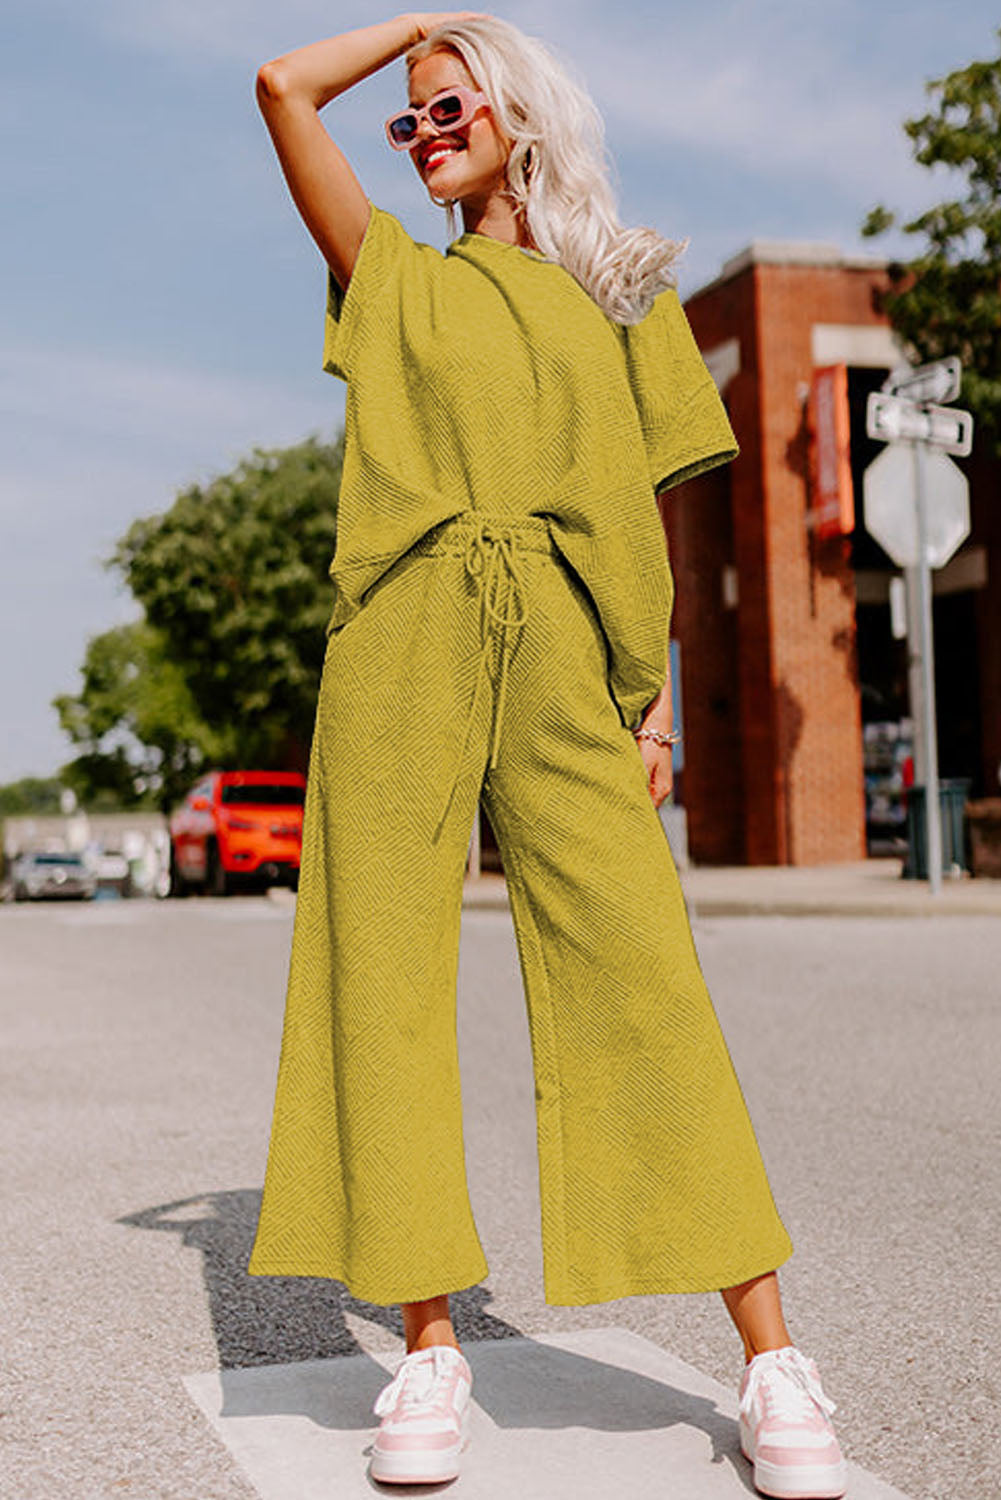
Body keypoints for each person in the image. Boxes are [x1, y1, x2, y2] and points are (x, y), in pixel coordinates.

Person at [247, 14, 847, 1497]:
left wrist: (652, 701)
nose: (422, 134)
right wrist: (423, 29)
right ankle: (428, 1347)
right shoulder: (391, 275)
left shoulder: (625, 291)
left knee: (644, 980)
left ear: (518, 115)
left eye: (448, 107)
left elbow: (649, 513)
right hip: (402, 639)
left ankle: (772, 1358)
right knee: (382, 982)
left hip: (570, 652)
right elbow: (280, 86)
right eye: (407, 121)